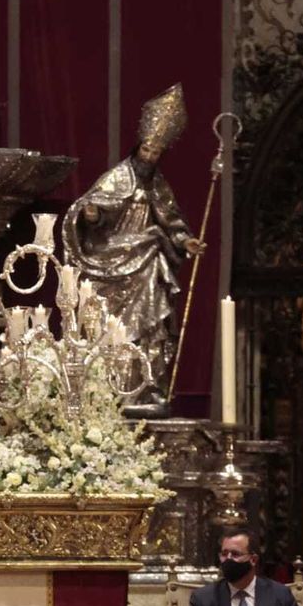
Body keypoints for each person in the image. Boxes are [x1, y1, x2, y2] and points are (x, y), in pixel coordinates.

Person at [62, 84, 205, 415]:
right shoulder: (116, 178)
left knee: (150, 327)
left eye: (156, 153)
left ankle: (146, 388)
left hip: (146, 263)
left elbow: (171, 221)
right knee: (110, 329)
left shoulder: (158, 186)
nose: (149, 157)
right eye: (147, 150)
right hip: (110, 261)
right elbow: (93, 208)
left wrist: (186, 241)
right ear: (138, 147)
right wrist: (92, 215)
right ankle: (108, 389)